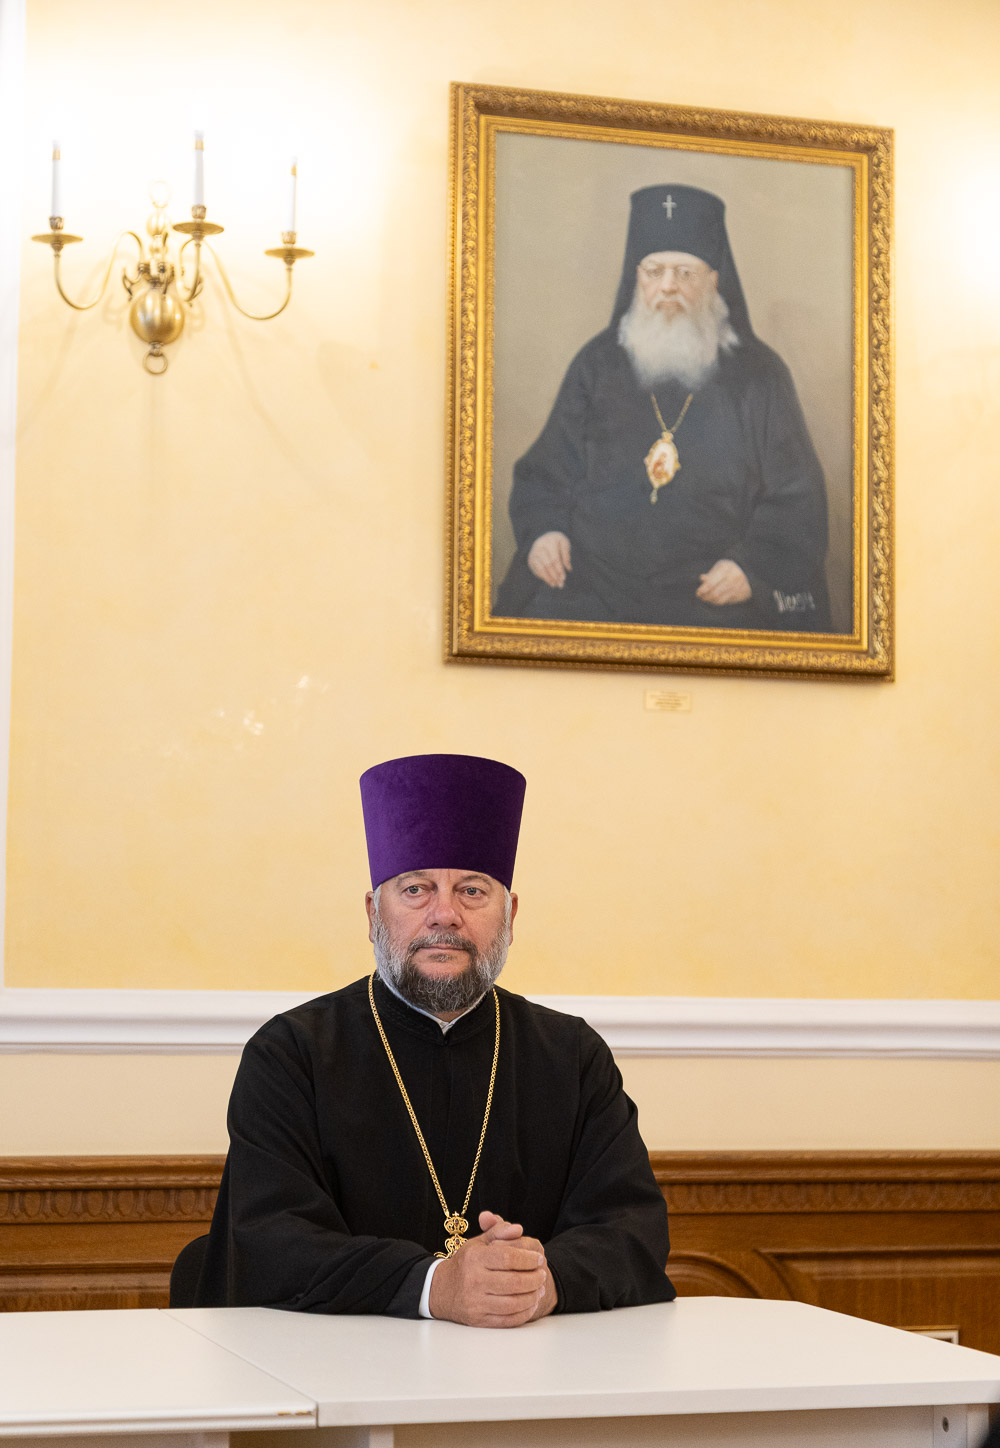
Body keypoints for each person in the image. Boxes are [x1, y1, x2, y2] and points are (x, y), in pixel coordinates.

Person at [191, 753, 674, 1326]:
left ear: (510, 916)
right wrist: (433, 1285)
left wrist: (542, 1283)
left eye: (472, 891)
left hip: (529, 1366)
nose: (444, 915)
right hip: (339, 1365)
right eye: (416, 889)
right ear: (373, 913)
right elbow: (270, 1241)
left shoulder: (571, 1056)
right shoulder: (291, 1053)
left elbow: (634, 1230)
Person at [496, 183, 832, 632]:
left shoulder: (760, 376)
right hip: (592, 586)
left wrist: (750, 568)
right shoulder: (597, 364)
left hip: (708, 595)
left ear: (714, 280)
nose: (668, 286)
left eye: (685, 273)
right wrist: (546, 531)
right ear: (637, 278)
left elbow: (797, 499)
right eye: (654, 271)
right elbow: (546, 472)